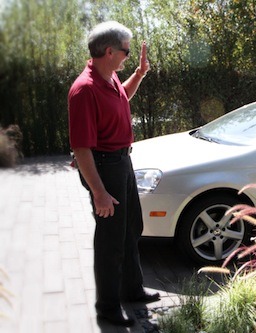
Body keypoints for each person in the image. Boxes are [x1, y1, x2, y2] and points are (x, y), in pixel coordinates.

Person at [68, 21, 159, 327]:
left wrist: (140, 74)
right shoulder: (84, 89)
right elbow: (81, 148)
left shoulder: (110, 77)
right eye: (126, 52)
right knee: (111, 241)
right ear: (109, 51)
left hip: (122, 163)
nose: (128, 56)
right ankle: (108, 307)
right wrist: (99, 192)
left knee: (131, 227)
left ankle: (132, 291)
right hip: (104, 168)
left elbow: (124, 98)